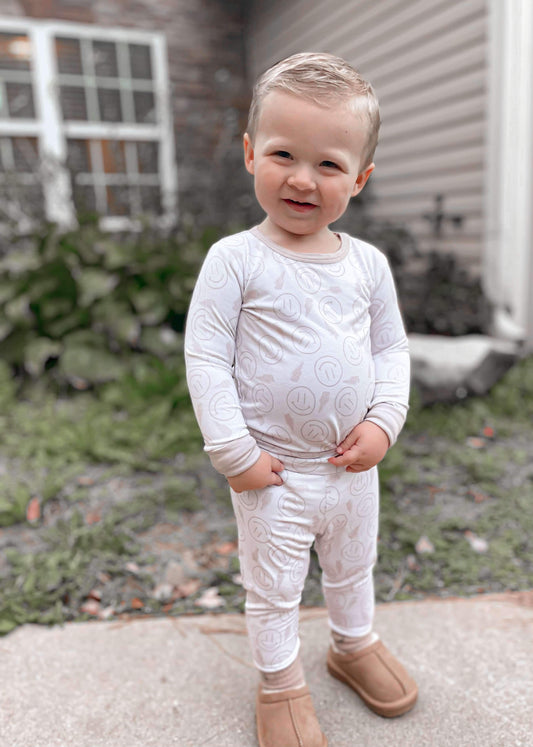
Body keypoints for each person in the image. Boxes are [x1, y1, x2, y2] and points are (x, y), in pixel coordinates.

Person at [184, 51, 417, 747]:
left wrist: (383, 421)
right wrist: (233, 451)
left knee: (352, 565)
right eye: (283, 153)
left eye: (328, 164)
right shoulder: (236, 259)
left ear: (359, 178)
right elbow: (206, 355)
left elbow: (389, 350)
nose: (301, 178)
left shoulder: (367, 265)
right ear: (251, 153)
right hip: (273, 471)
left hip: (351, 468)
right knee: (274, 585)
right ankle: (280, 679)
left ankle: (351, 643)